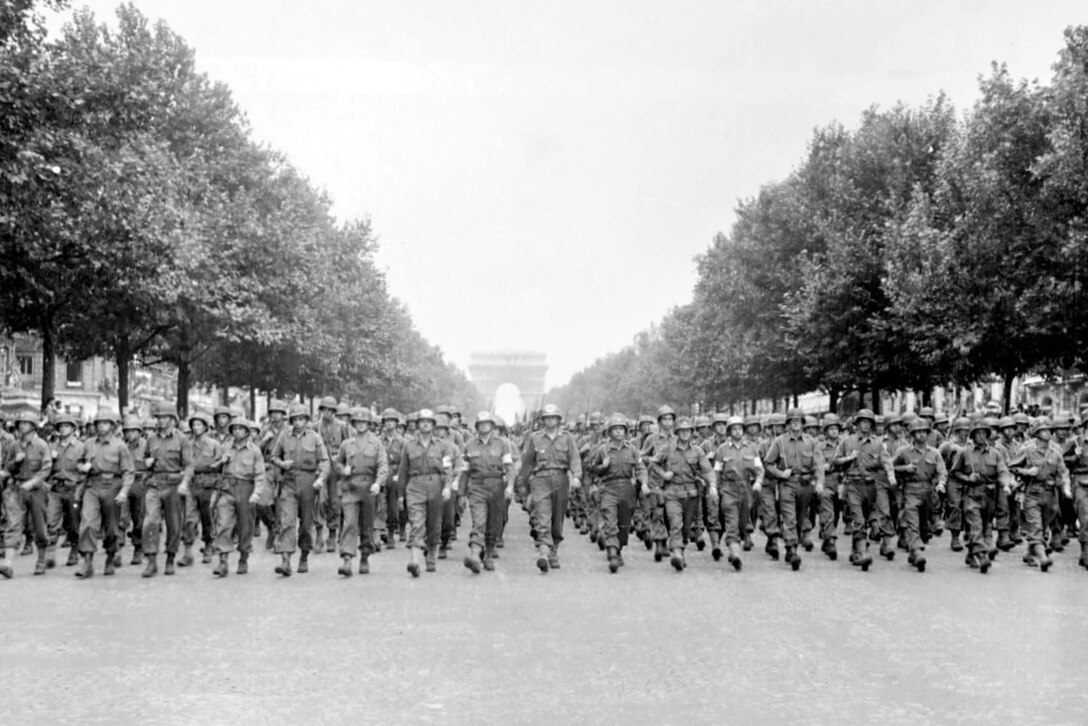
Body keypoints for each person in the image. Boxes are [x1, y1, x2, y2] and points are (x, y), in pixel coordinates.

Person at [516, 404, 583, 573]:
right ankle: (544, 552)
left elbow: (575, 458)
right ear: (542, 420)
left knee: (557, 519)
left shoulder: (568, 438)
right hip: (541, 480)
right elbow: (528, 461)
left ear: (559, 420)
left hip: (561, 479)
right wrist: (521, 482)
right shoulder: (535, 438)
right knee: (542, 516)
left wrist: (576, 476)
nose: (550, 420)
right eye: (546, 418)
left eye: (553, 418)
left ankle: (554, 550)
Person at [832, 409, 897, 572]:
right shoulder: (847, 442)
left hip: (871, 486)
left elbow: (886, 461)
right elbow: (835, 461)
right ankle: (862, 552)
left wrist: (891, 475)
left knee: (868, 519)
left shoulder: (877, 444)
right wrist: (849, 458)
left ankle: (855, 551)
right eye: (862, 421)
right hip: (853, 485)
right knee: (858, 520)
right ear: (857, 424)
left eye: (868, 422)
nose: (865, 424)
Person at [270, 404, 329, 576]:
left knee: (306, 524)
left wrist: (321, 478)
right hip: (289, 482)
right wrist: (282, 463)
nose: (298, 422)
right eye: (295, 419)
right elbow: (274, 456)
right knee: (286, 521)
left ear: (306, 420)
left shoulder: (315, 438)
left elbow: (324, 461)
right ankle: (286, 560)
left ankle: (304, 555)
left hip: (308, 483)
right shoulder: (284, 436)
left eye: (301, 419)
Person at [947, 419, 1013, 574]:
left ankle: (971, 554)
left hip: (989, 496)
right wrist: (967, 478)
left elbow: (1003, 471)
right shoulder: (965, 452)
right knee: (975, 525)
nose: (982, 436)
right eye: (978, 433)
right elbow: (954, 472)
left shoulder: (995, 454)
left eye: (984, 433)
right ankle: (982, 555)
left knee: (985, 526)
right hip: (972, 494)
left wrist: (1006, 485)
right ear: (973, 436)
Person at [762, 408, 825, 571]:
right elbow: (768, 463)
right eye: (792, 420)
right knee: (789, 518)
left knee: (799, 518)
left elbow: (818, 464)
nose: (795, 423)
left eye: (798, 420)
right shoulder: (780, 442)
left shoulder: (811, 442)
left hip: (805, 485)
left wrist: (819, 482)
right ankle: (792, 549)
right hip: (788, 484)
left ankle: (792, 543)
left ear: (803, 423)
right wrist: (781, 473)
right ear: (788, 424)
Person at [75, 410, 135, 578]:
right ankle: (87, 561)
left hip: (112, 487)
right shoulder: (88, 444)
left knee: (111, 529)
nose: (102, 426)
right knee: (87, 523)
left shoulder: (120, 446)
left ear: (113, 426)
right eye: (99, 423)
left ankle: (110, 556)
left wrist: (124, 491)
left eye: (106, 423)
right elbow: (78, 463)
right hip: (92, 486)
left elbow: (128, 471)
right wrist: (82, 467)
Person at [649, 417, 713, 571]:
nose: (685, 434)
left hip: (691, 494)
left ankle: (680, 550)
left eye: (688, 431)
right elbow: (654, 462)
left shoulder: (697, 451)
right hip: (672, 493)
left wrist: (712, 485)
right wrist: (664, 474)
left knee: (686, 528)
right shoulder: (668, 448)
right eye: (682, 431)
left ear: (692, 432)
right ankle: (676, 553)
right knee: (675, 522)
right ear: (677, 433)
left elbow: (707, 470)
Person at [398, 409, 457, 576]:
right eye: (422, 421)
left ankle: (431, 554)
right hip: (415, 485)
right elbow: (403, 471)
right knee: (416, 522)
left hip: (436, 486)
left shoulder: (443, 446)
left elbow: (448, 469)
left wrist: (447, 487)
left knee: (434, 524)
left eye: (428, 422)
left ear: (433, 425)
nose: (425, 424)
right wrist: (401, 495)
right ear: (417, 425)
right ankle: (414, 560)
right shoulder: (409, 446)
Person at [587, 414, 648, 573]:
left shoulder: (633, 450)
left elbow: (640, 469)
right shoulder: (603, 450)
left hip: (628, 489)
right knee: (610, 521)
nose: (619, 432)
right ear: (610, 432)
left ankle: (618, 548)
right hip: (609, 488)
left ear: (626, 431)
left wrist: (644, 483)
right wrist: (603, 467)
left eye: (621, 429)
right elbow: (593, 470)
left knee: (624, 524)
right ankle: (612, 552)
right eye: (615, 429)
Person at [1008, 418, 1070, 572]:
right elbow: (1012, 467)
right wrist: (1027, 471)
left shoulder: (1056, 452)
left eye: (1049, 429)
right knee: (1035, 526)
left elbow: (1063, 472)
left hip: (1051, 494)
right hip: (1033, 493)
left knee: (1044, 526)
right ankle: (1043, 558)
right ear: (1036, 433)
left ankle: (1030, 553)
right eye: (1044, 430)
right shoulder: (1027, 450)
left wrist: (1066, 487)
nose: (1048, 432)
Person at [457, 412, 515, 573]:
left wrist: (510, 486)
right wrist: (461, 494)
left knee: (493, 524)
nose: (484, 426)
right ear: (477, 426)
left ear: (492, 426)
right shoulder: (469, 445)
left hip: (497, 487)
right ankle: (475, 555)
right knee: (479, 522)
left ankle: (488, 555)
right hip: (477, 487)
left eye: (487, 423)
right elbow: (465, 472)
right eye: (481, 424)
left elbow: (509, 467)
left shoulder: (503, 444)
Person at [212, 418, 271, 577]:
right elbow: (212, 467)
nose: (237, 431)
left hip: (246, 489)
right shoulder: (225, 447)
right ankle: (223, 561)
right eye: (235, 428)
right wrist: (220, 461)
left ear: (247, 431)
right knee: (223, 523)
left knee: (246, 526)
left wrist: (257, 493)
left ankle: (243, 557)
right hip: (227, 488)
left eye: (240, 428)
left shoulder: (254, 451)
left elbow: (260, 474)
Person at [335, 408, 389, 577]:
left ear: (369, 424)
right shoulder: (347, 444)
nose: (360, 425)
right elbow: (337, 464)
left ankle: (365, 555)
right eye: (357, 422)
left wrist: (378, 483)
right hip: (350, 488)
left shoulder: (376, 443)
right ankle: (347, 559)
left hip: (369, 488)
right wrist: (344, 470)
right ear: (353, 424)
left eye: (364, 422)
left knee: (367, 525)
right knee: (349, 523)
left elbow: (383, 466)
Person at [141, 402, 193, 578]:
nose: (161, 421)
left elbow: (189, 465)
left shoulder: (181, 439)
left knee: (174, 524)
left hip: (174, 485)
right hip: (155, 484)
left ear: (172, 419)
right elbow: (146, 460)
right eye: (159, 418)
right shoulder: (151, 439)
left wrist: (185, 483)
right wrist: (147, 462)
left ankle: (170, 557)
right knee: (150, 522)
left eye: (164, 417)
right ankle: (151, 560)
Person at [0, 412, 52, 578]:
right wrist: (15, 462)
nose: (22, 426)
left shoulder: (42, 445)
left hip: (36, 489)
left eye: (26, 423)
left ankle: (41, 560)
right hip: (17, 488)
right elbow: (7, 468)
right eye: (20, 423)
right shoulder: (14, 446)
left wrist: (33, 483)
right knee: (13, 525)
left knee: (39, 526)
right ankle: (7, 564)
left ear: (34, 426)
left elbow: (46, 468)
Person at [892, 418, 947, 572]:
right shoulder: (903, 451)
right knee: (912, 523)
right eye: (918, 432)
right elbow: (889, 465)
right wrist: (904, 468)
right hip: (910, 490)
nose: (922, 435)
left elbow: (942, 470)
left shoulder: (934, 453)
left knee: (924, 527)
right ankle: (916, 552)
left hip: (929, 492)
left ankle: (913, 549)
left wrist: (941, 482)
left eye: (924, 432)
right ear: (912, 435)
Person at [183, 411, 222, 567]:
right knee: (188, 518)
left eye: (199, 424)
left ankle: (208, 547)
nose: (195, 427)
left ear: (206, 427)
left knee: (208, 518)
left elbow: (220, 465)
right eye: (193, 424)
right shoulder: (186, 444)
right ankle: (187, 552)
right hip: (192, 484)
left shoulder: (214, 445)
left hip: (208, 484)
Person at [45, 413, 84, 570]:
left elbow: (86, 470)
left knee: (74, 524)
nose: (63, 429)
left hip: (73, 488)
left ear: (74, 429)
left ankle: (74, 551)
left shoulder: (81, 448)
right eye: (60, 426)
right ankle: (49, 553)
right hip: (55, 488)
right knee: (51, 522)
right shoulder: (52, 447)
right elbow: (45, 468)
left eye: (66, 426)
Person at [315, 396, 349, 553]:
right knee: (320, 501)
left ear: (334, 411)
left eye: (329, 410)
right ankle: (319, 533)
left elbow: (349, 447)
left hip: (337, 471)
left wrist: (346, 466)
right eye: (324, 410)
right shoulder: (315, 427)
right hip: (321, 469)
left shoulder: (342, 426)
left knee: (335, 503)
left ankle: (332, 534)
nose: (326, 413)